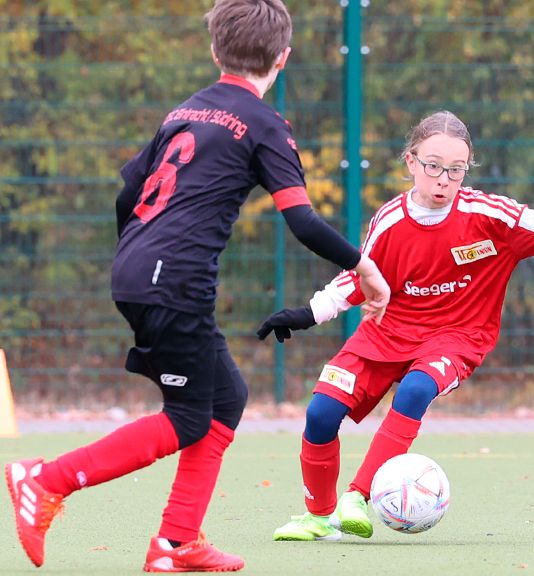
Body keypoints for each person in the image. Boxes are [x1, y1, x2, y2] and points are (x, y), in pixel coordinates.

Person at [4, 0, 390, 571]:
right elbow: (303, 221)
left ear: (215, 52)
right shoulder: (265, 125)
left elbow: (124, 195)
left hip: (140, 268)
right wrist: (366, 267)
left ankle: (177, 542)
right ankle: (45, 479)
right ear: (283, 58)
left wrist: (135, 258)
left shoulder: (185, 110)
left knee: (225, 399)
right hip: (172, 280)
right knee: (188, 416)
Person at [256, 110, 534, 542]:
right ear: (410, 162)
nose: (443, 180)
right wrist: (311, 312)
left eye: (456, 170)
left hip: (458, 337)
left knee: (414, 390)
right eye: (433, 166)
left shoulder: (490, 216)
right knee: (320, 414)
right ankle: (319, 518)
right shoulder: (390, 220)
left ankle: (359, 495)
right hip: (385, 332)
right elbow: (362, 274)